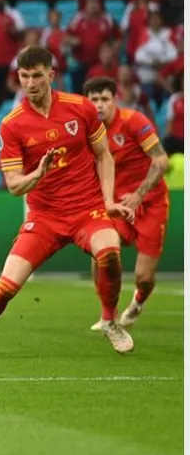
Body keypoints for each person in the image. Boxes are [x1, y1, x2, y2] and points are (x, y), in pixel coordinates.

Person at [0, 46, 136, 357]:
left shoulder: (81, 108)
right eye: (24, 76)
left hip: (87, 209)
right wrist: (37, 174)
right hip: (45, 217)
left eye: (36, 76)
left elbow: (104, 155)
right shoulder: (12, 124)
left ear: (51, 75)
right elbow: (14, 185)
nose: (30, 83)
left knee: (110, 253)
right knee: (8, 285)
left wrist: (108, 201)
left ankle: (110, 321)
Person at [83, 77, 169, 330]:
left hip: (150, 202)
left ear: (115, 100)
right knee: (100, 254)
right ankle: (107, 315)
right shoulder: (88, 131)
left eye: (104, 99)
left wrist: (139, 195)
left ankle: (139, 300)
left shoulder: (134, 121)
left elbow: (161, 160)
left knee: (144, 277)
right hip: (117, 206)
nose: (99, 105)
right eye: (94, 100)